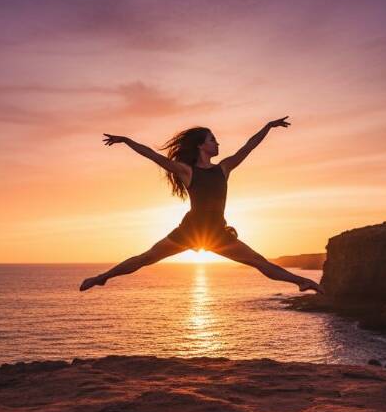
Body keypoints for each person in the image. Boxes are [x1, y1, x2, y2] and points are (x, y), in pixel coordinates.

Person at [79, 117, 325, 294]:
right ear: (201, 145)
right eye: (213, 140)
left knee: (260, 262)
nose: (217, 144)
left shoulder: (224, 168)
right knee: (146, 258)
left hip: (217, 233)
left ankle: (301, 282)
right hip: (190, 232)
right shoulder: (187, 171)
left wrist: (268, 127)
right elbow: (152, 156)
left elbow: (248, 147)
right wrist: (127, 140)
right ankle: (102, 277)